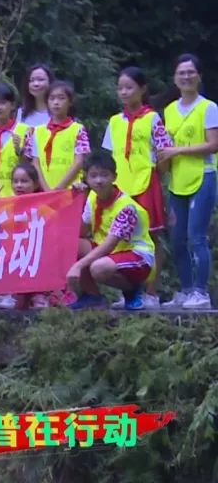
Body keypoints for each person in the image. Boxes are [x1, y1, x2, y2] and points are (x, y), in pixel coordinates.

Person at [102, 67, 172, 310]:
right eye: (120, 87)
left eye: (129, 87)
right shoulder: (114, 121)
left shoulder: (152, 118)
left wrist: (156, 175)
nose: (124, 92)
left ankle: (151, 291)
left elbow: (164, 152)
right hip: (121, 187)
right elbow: (110, 156)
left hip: (145, 183)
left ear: (142, 89)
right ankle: (129, 292)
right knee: (122, 239)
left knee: (150, 238)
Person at [159, 54, 218, 310]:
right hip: (177, 180)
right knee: (177, 238)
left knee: (196, 236)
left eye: (190, 72)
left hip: (202, 176)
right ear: (174, 78)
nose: (186, 77)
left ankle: (201, 292)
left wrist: (177, 152)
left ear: (199, 76)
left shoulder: (209, 108)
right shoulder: (170, 110)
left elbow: (213, 144)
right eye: (181, 73)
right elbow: (164, 147)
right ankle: (185, 290)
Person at [69, 152, 155, 311]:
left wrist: (78, 266)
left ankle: (132, 290)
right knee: (70, 245)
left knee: (98, 268)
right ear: (86, 179)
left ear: (114, 177)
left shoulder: (126, 207)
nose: (99, 180)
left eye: (104, 175)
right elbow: (81, 232)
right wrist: (77, 199)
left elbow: (109, 245)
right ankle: (93, 296)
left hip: (137, 256)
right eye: (93, 176)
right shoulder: (92, 197)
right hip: (112, 253)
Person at [0, 163, 61, 310]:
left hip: (38, 260)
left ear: (35, 184)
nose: (19, 185)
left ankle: (41, 294)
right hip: (13, 258)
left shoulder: (46, 207)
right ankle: (7, 293)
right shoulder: (6, 206)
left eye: (24, 181)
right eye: (15, 181)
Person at [26, 81, 91, 191]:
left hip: (71, 190)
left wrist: (60, 187)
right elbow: (35, 163)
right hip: (44, 191)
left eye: (61, 98)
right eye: (52, 99)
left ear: (70, 102)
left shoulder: (78, 129)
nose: (56, 102)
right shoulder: (37, 131)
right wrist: (46, 190)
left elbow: (79, 161)